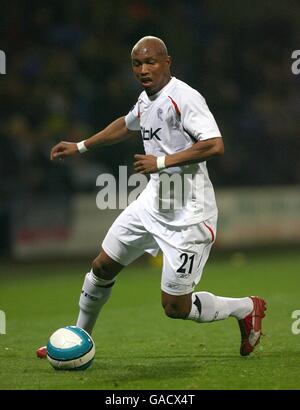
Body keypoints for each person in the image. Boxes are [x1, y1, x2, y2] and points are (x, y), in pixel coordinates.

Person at [37, 36, 266, 359]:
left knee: (175, 307)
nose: (143, 69)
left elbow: (214, 144)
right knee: (102, 266)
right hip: (152, 205)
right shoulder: (147, 99)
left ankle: (245, 307)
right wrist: (81, 146)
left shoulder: (184, 98)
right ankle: (79, 339)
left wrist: (159, 162)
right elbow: (126, 125)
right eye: (137, 64)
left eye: (151, 62)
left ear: (167, 62)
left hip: (189, 217)